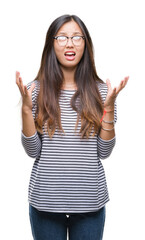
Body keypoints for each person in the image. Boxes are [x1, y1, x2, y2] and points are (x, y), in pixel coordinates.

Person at [16, 14, 129, 240]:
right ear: (51, 44)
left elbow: (104, 153)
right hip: (45, 202)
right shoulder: (35, 90)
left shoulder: (102, 92)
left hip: (90, 203)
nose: (70, 43)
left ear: (85, 44)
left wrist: (108, 109)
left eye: (77, 37)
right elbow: (33, 151)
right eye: (62, 37)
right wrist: (27, 111)